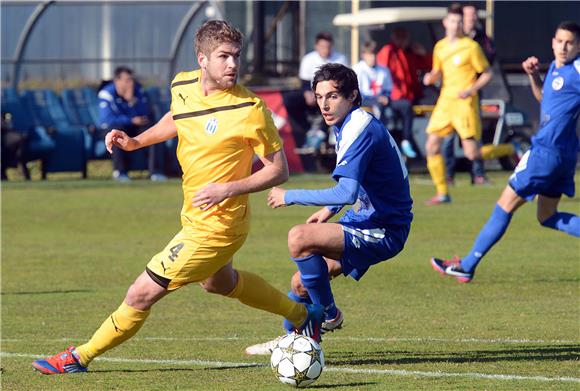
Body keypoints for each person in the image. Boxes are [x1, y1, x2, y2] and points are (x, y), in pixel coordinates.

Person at [31, 20, 324, 375]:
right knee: (220, 283)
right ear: (202, 59)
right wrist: (136, 141)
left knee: (141, 293)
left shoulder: (250, 110)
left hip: (219, 226)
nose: (233, 64)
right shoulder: (182, 84)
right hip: (195, 216)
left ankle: (79, 357)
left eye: (236, 56)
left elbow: (278, 171)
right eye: (224, 57)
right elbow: (178, 117)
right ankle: (303, 314)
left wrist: (227, 188)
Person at [245, 63, 413, 355]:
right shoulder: (349, 124)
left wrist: (290, 196)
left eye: (333, 96)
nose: (324, 104)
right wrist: (328, 210)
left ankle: (329, 314)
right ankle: (294, 341)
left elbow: (347, 191)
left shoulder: (359, 128)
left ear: (352, 96)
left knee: (299, 238)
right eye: (320, 96)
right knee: (300, 284)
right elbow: (356, 185)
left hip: (384, 228)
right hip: (365, 219)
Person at [431, 21, 580, 282]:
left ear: (578, 45)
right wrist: (534, 76)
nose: (563, 47)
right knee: (547, 216)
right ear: (553, 42)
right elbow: (545, 100)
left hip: (545, 153)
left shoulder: (577, 69)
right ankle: (466, 265)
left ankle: (466, 265)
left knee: (504, 206)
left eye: (570, 42)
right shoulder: (558, 67)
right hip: (562, 157)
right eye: (560, 41)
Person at [422, 3, 492, 205]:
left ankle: (509, 149)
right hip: (445, 102)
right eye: (453, 21)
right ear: (445, 22)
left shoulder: (471, 47)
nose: (456, 25)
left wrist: (471, 90)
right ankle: (443, 193)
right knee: (432, 146)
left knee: (472, 153)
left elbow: (487, 73)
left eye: (459, 21)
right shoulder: (440, 47)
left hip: (464, 104)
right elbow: (437, 72)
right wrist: (430, 77)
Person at [443, 2, 498, 186]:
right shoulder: (451, 38)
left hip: (470, 96)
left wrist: (471, 87)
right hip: (450, 96)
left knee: (474, 138)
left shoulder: (479, 40)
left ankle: (478, 174)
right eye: (469, 15)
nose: (472, 18)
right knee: (447, 138)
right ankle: (448, 175)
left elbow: (489, 61)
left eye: (475, 15)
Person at [98, 66, 166, 182]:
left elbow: (144, 114)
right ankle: (120, 172)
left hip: (133, 126)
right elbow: (107, 119)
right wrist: (130, 120)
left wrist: (131, 101)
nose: (130, 83)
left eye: (131, 80)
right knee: (116, 133)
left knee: (152, 131)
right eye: (126, 80)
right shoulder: (106, 93)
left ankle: (155, 172)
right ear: (117, 81)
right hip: (113, 127)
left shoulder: (137, 91)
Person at [283, 31, 347, 150]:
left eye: (328, 47)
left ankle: (326, 132)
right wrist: (307, 93)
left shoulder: (340, 59)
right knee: (289, 100)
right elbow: (305, 83)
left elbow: (343, 83)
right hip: (314, 96)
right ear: (316, 46)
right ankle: (308, 129)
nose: (325, 50)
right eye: (322, 47)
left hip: (332, 97)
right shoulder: (308, 59)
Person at [377, 27, 431, 159]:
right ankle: (406, 142)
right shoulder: (388, 51)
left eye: (404, 37)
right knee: (405, 108)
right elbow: (382, 72)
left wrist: (423, 53)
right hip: (393, 97)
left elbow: (430, 65)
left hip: (411, 96)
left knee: (429, 103)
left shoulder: (409, 53)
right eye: (399, 37)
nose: (402, 40)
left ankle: (415, 149)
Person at [352, 41, 393, 120]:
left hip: (381, 100)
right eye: (370, 54)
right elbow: (357, 92)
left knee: (404, 105)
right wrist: (376, 99)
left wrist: (386, 97)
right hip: (363, 100)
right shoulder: (357, 69)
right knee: (377, 106)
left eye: (374, 54)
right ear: (363, 55)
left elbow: (388, 88)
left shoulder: (384, 70)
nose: (373, 57)